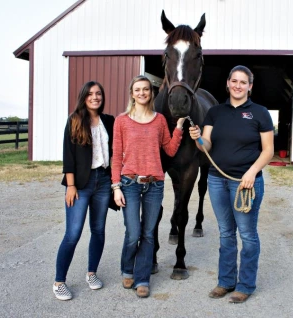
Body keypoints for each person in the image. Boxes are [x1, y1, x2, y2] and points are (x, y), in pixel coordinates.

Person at [189, 65, 274, 303]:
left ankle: (245, 284)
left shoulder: (259, 113)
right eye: (234, 81)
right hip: (217, 180)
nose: (238, 85)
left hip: (245, 183)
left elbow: (268, 151)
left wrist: (252, 172)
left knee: (247, 234)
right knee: (226, 233)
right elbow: (206, 146)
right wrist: (198, 139)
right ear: (228, 83)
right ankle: (225, 281)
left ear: (250, 86)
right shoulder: (215, 112)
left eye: (243, 82)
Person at [111, 75, 185, 298]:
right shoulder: (121, 121)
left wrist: (179, 127)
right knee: (133, 233)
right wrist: (116, 187)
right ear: (132, 94)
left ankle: (142, 278)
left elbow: (170, 150)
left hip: (155, 184)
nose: (142, 93)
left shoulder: (160, 120)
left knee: (149, 233)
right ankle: (127, 269)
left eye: (146, 89)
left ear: (151, 93)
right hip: (129, 183)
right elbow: (116, 157)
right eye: (137, 90)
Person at [53, 81, 116, 301]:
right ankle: (59, 281)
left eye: (98, 93)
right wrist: (70, 186)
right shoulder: (75, 120)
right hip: (80, 184)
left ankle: (92, 273)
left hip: (103, 181)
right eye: (90, 94)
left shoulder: (109, 121)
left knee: (98, 230)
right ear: (84, 97)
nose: (95, 97)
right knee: (73, 233)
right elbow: (68, 156)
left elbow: (116, 152)